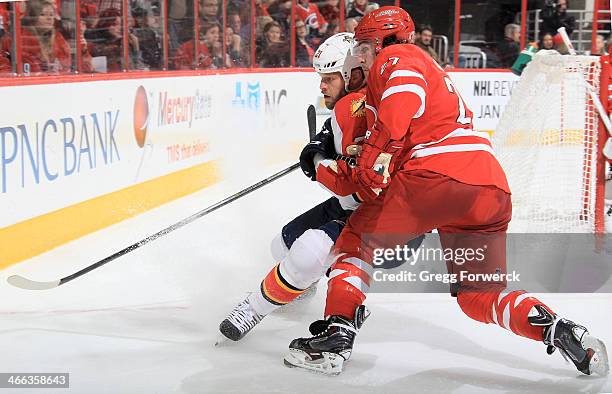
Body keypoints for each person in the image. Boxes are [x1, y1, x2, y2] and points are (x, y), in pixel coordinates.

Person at [284, 6, 609, 377]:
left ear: (382, 40)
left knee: (354, 242)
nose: (362, 54)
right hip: (489, 188)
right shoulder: (427, 70)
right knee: (478, 297)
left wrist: (326, 165)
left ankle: (336, 338)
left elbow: (381, 149)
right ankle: (559, 329)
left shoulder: (398, 56)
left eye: (364, 45)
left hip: (436, 178)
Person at [218, 32, 369, 342]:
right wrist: (323, 144)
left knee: (307, 252)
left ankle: (254, 308)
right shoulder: (351, 106)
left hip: (380, 211)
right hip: (353, 202)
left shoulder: (366, 107)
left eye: (329, 78)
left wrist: (319, 162)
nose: (321, 85)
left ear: (351, 74)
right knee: (283, 244)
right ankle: (297, 285)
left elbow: (349, 181)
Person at [20, 0, 71, 74]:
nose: (49, 18)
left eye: (51, 15)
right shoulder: (24, 39)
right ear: (32, 18)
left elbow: (66, 67)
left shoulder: (58, 38)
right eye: (43, 14)